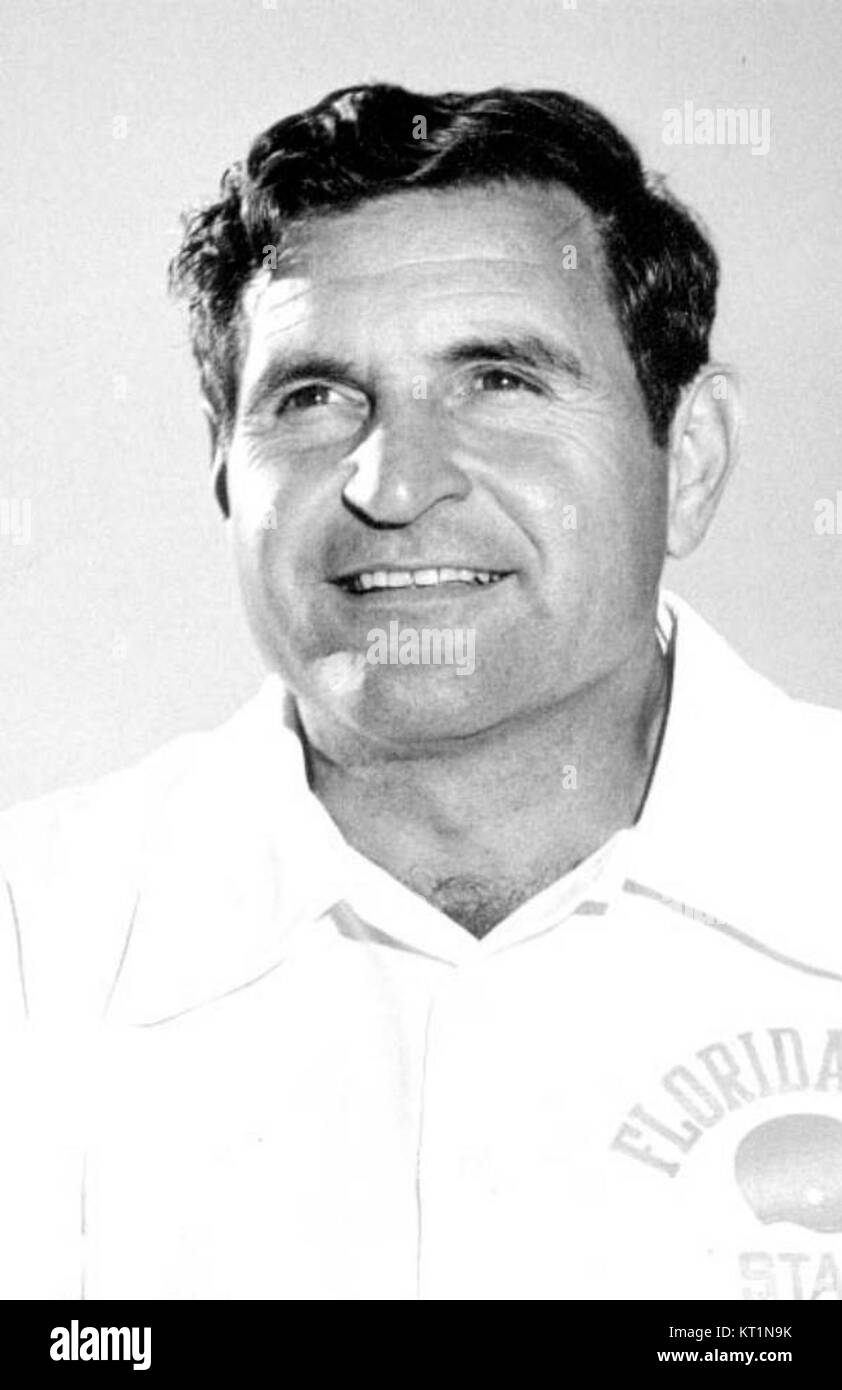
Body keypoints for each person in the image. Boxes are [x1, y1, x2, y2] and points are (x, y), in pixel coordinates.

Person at [2, 83, 841, 1303]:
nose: (392, 486)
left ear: (691, 460)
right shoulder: (32, 947)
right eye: (313, 398)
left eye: (497, 380)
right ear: (223, 466)